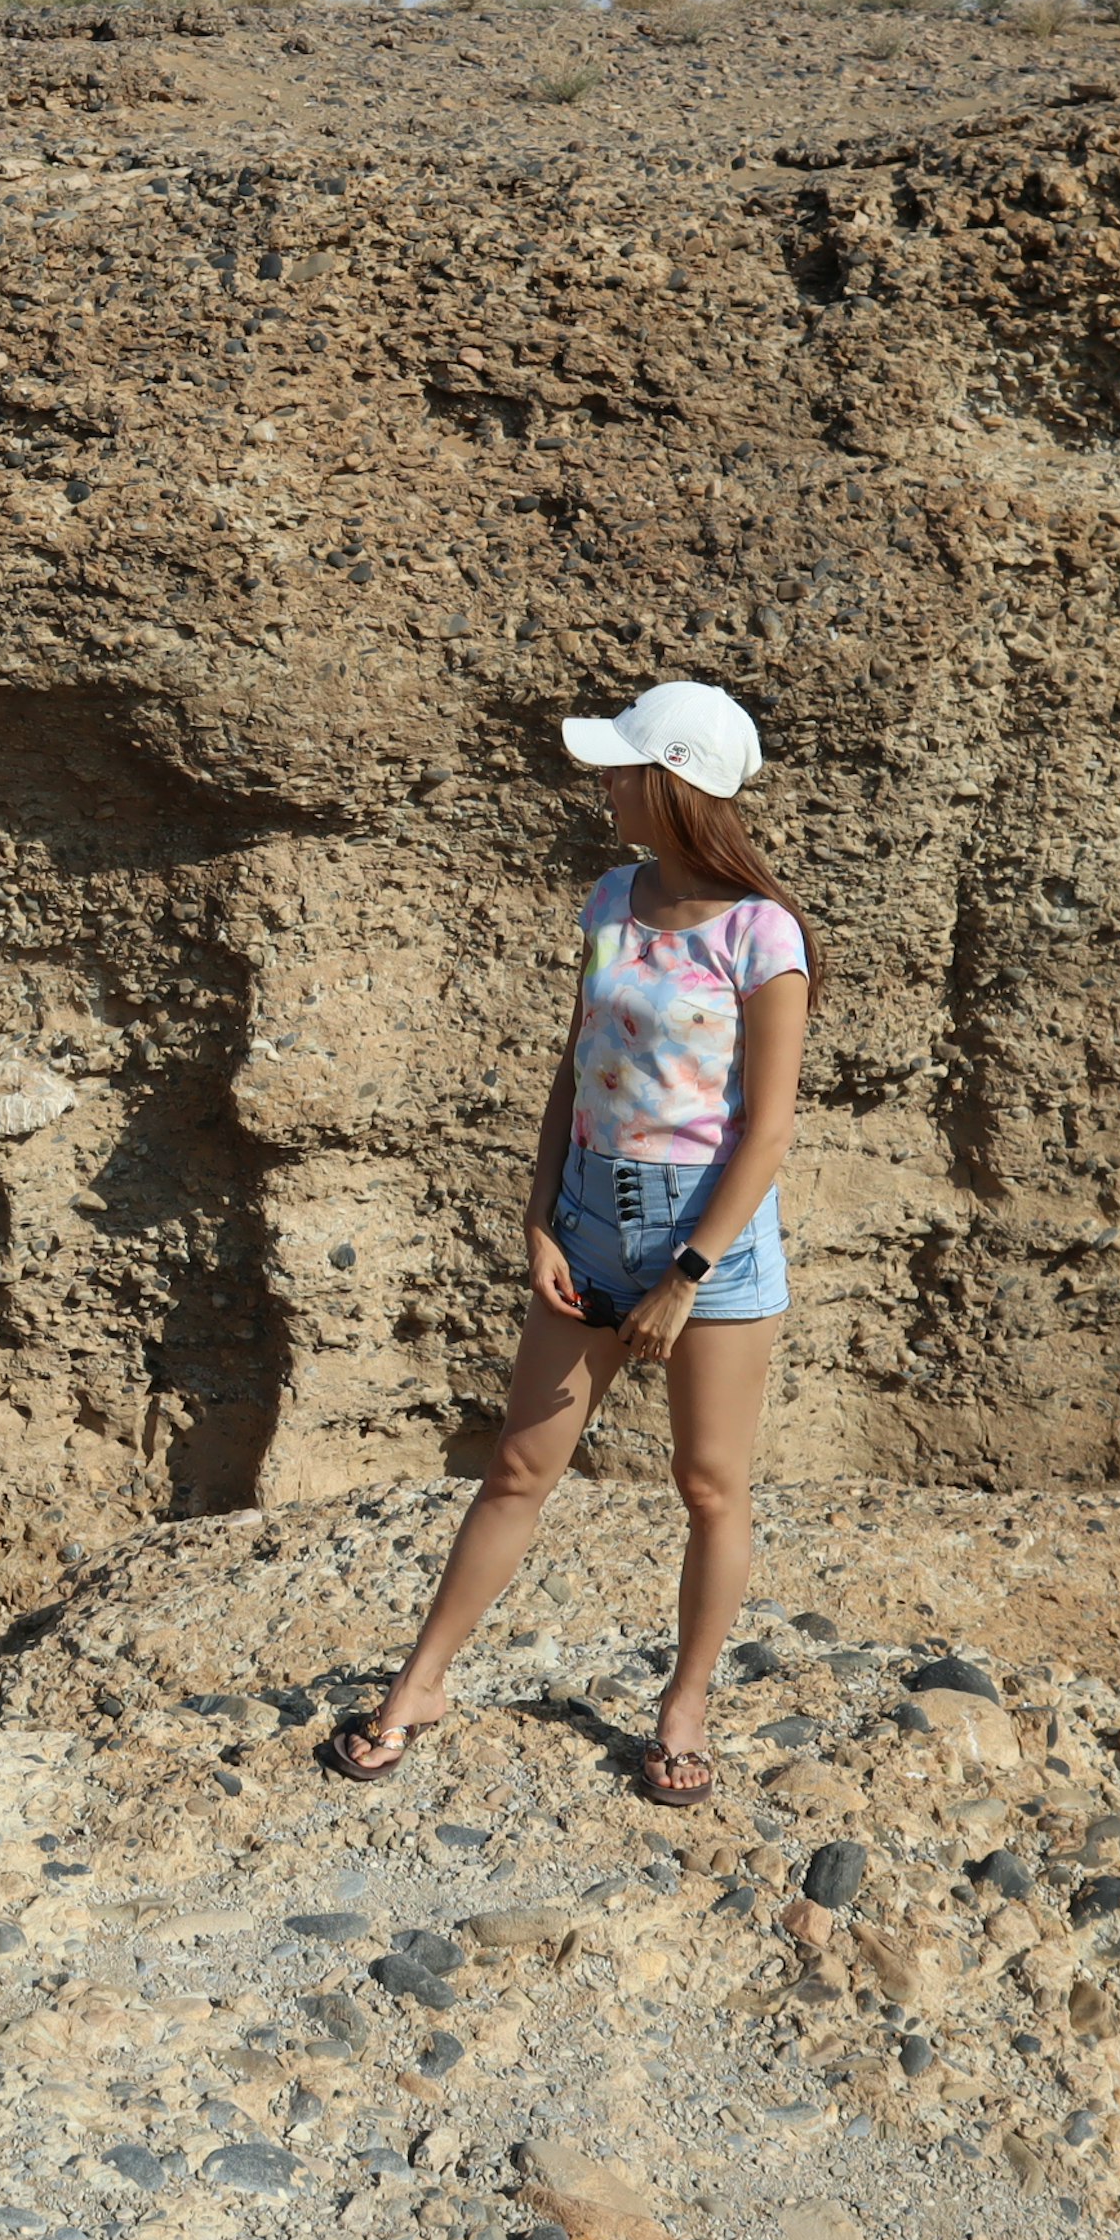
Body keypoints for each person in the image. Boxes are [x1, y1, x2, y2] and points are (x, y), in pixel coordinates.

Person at [323, 680, 818, 1806]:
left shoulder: (762, 933)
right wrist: (541, 1211)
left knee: (709, 1484)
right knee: (518, 1466)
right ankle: (421, 1683)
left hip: (714, 1236)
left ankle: (685, 1705)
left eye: (621, 765)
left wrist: (686, 1277)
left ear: (676, 782)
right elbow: (577, 1062)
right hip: (592, 1215)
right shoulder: (611, 896)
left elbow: (771, 1124)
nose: (602, 781)